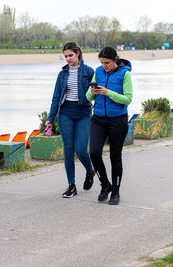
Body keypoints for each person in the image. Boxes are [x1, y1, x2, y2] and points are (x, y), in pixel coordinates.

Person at [45, 42, 95, 198]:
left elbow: (95, 94)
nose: (67, 59)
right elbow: (55, 98)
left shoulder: (89, 71)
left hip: (83, 113)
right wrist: (50, 118)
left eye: (70, 55)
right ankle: (71, 185)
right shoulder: (62, 74)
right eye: (65, 56)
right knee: (68, 151)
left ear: (78, 53)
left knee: (81, 150)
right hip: (66, 112)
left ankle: (90, 171)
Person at [86, 46, 133, 205]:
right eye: (102, 62)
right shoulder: (97, 71)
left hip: (117, 120)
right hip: (98, 119)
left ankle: (116, 192)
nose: (104, 66)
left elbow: (127, 99)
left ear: (115, 60)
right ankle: (105, 184)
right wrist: (93, 91)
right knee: (93, 152)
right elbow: (88, 96)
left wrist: (108, 93)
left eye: (107, 63)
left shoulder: (124, 74)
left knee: (115, 156)